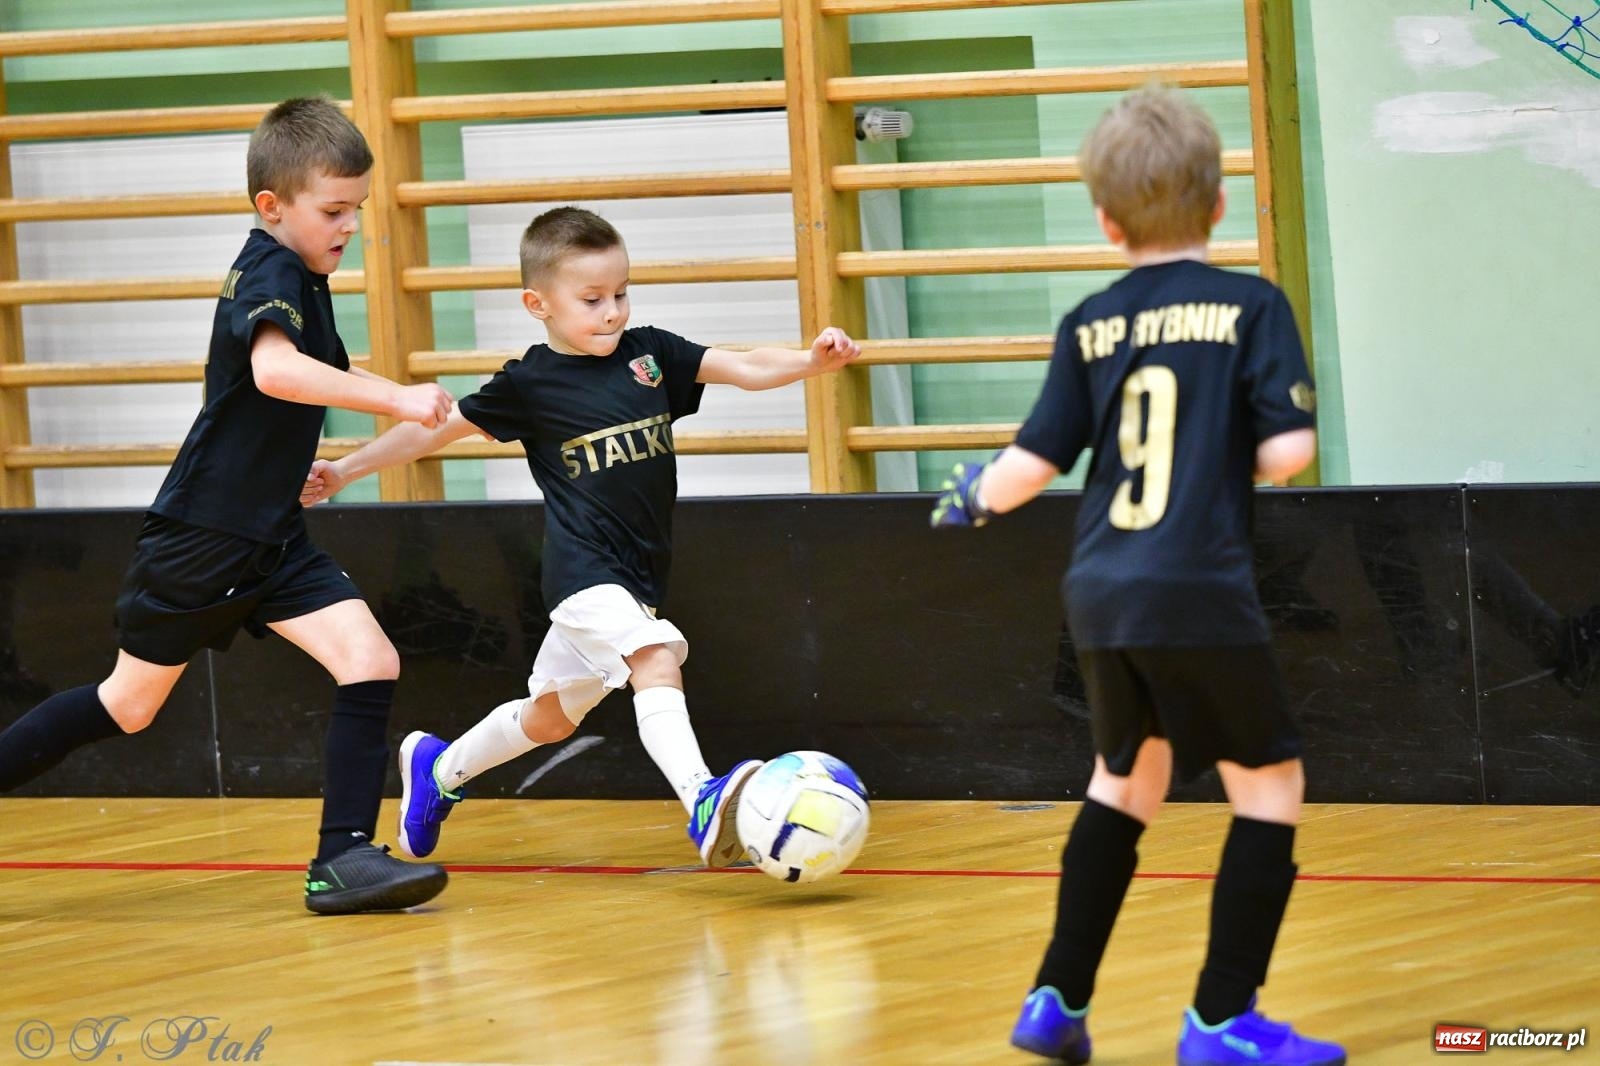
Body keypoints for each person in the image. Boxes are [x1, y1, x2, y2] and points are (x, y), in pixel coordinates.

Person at [930, 85, 1343, 1066]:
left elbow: (1026, 471)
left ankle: (1054, 1000)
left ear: (1106, 221)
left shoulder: (1089, 321)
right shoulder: (1251, 304)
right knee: (1270, 787)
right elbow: (1288, 454)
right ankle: (1220, 1019)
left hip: (1100, 589)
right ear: (1217, 205)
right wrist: (1224, 452)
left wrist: (968, 500)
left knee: (1126, 776)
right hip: (1195, 586)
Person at [300, 206, 861, 868]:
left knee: (550, 719)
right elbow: (434, 430)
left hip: (638, 581)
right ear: (538, 303)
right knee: (656, 659)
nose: (612, 311)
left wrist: (809, 362)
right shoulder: (530, 384)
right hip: (583, 577)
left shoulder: (650, 356)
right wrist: (344, 468)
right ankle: (703, 798)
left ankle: (439, 768)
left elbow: (742, 365)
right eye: (592, 299)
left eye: (620, 294)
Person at [0, 97, 453, 916]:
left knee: (370, 659)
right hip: (203, 539)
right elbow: (277, 373)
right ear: (272, 208)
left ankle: (341, 858)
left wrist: (324, 471)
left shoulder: (308, 277)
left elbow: (273, 406)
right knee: (126, 706)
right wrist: (396, 396)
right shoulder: (271, 270)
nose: (349, 226)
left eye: (356, 209)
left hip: (271, 537)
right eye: (333, 211)